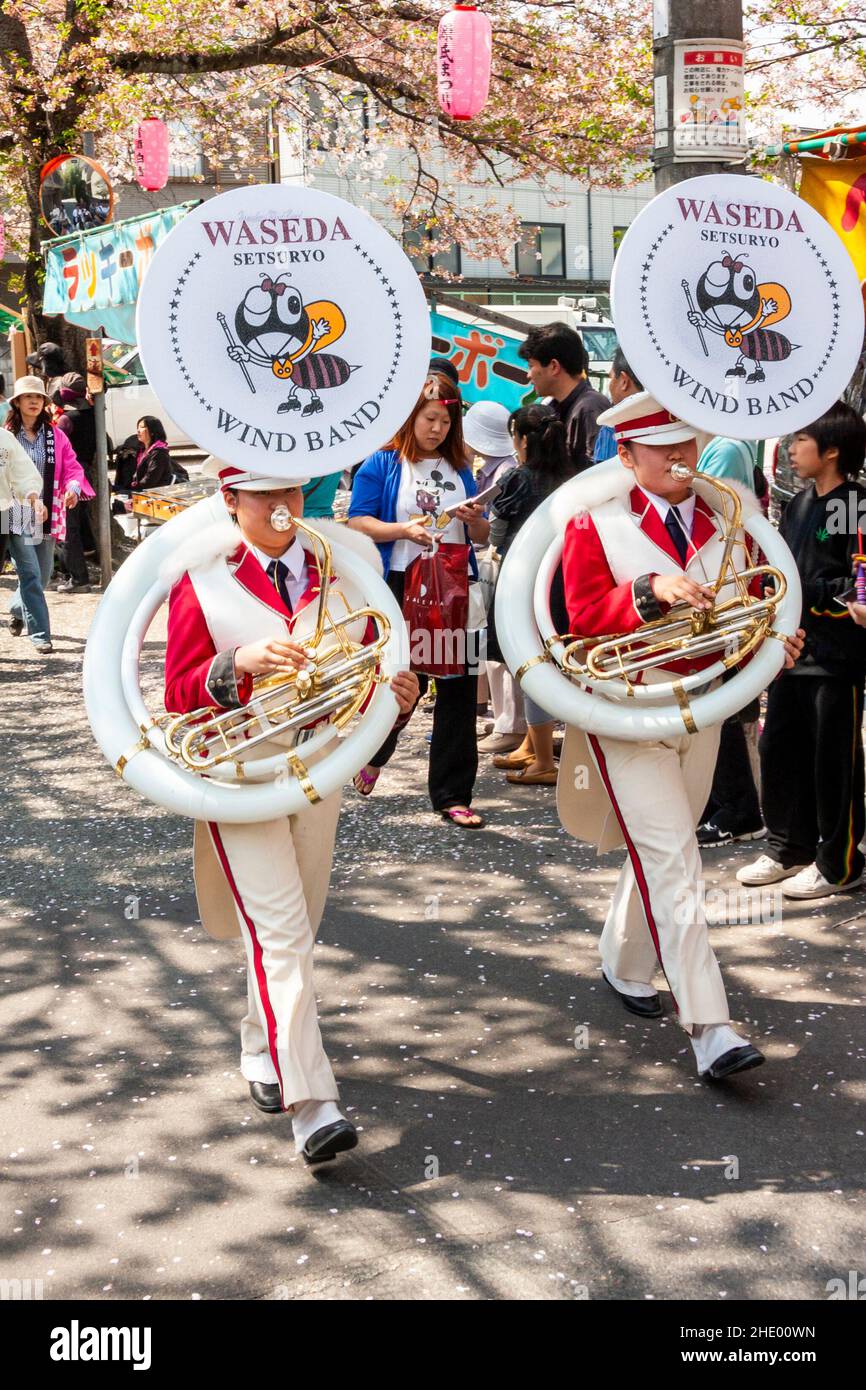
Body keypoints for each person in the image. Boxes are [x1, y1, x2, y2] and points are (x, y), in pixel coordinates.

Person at [163, 457, 418, 1163]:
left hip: (318, 775)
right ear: (231, 497)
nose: (284, 501)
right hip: (239, 779)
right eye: (266, 490)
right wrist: (238, 663)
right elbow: (179, 696)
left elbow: (369, 676)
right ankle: (314, 1103)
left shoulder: (347, 571)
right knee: (279, 934)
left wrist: (393, 708)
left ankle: (261, 1047)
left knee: (294, 930)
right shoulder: (202, 575)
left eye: (293, 487)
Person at [559, 391, 803, 1080]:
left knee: (670, 846)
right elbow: (580, 620)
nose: (679, 458)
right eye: (661, 447)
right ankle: (710, 1026)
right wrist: (647, 591)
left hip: (707, 708)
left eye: (686, 444)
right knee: (675, 858)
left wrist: (772, 642)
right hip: (627, 712)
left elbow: (758, 600)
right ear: (627, 455)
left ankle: (625, 961)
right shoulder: (593, 524)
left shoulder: (732, 519)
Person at [347, 373, 490, 827]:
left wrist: (475, 521)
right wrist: (402, 530)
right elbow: (357, 522)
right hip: (400, 585)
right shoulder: (382, 463)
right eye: (430, 419)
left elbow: (481, 534)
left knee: (458, 688)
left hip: (455, 584)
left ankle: (453, 794)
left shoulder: (461, 468)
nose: (437, 430)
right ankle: (374, 753)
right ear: (410, 416)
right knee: (402, 681)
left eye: (446, 423)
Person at [738, 402, 866, 901]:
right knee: (780, 749)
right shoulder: (798, 502)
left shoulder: (854, 502)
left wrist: (810, 592)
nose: (790, 450)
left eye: (800, 441)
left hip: (837, 655)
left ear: (832, 450)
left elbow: (857, 583)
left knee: (832, 761)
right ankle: (788, 847)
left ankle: (840, 863)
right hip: (792, 650)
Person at [487, 404, 573, 785]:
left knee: (531, 663)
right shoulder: (577, 472)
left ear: (521, 439)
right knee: (549, 662)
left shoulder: (517, 479)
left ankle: (543, 762)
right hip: (566, 579)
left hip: (523, 582)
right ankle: (532, 746)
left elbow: (495, 537)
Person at [4, 375, 94, 655]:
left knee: (41, 577)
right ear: (17, 402)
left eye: (38, 397)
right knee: (30, 573)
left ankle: (18, 609)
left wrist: (73, 487)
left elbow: (72, 467)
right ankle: (41, 635)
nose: (33, 401)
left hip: (47, 512)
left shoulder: (56, 435)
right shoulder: (6, 436)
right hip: (16, 513)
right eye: (27, 397)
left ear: (44, 402)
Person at [462, 400, 526, 755]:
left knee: (501, 648)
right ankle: (504, 720)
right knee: (489, 647)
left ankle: (511, 725)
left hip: (497, 560)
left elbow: (492, 528)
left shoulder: (504, 474)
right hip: (489, 559)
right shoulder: (490, 467)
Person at [518, 322, 608, 474]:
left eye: (531, 366)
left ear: (554, 366)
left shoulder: (591, 408)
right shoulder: (554, 409)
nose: (528, 375)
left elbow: (602, 476)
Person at [55, 373, 98, 593]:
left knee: (69, 527)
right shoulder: (93, 413)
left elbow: (55, 447)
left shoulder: (66, 419)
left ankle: (79, 579)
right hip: (86, 472)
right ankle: (79, 567)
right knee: (79, 523)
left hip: (71, 475)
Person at [593, 348, 642, 461]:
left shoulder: (612, 426)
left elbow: (604, 474)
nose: (609, 386)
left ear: (624, 381)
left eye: (611, 378)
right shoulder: (674, 417)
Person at [131, 416, 174, 492]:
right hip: (141, 490)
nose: (138, 430)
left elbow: (149, 482)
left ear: (152, 431)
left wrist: (131, 489)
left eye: (142, 427)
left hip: (153, 495)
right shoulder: (142, 450)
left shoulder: (159, 453)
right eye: (138, 427)